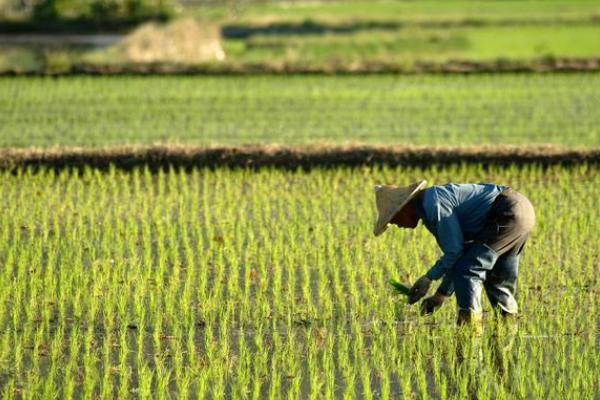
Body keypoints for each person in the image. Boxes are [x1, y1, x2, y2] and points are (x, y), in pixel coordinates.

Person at [373, 180, 535, 326]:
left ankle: (470, 329)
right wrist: (440, 295)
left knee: (469, 269)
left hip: (506, 212)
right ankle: (509, 328)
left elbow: (455, 252)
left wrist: (428, 278)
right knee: (497, 280)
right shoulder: (430, 204)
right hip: (521, 209)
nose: (396, 224)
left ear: (403, 208)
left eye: (393, 219)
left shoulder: (433, 204)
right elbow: (458, 254)